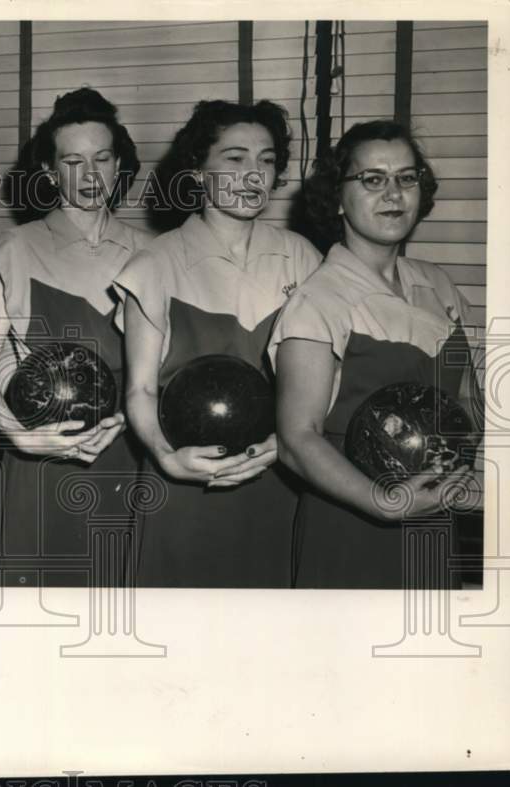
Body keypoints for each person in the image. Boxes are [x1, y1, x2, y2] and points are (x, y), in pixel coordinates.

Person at [114, 100, 322, 588]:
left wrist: (288, 442)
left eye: (267, 160)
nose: (254, 175)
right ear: (197, 170)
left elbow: (327, 379)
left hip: (279, 479)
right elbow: (141, 389)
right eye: (235, 158)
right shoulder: (155, 262)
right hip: (183, 483)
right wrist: (167, 456)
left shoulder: (305, 259)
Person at [269, 120, 480, 589]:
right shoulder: (318, 301)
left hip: (433, 520)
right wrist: (384, 503)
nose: (394, 193)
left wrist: (465, 474)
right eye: (372, 179)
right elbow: (296, 440)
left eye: (407, 178)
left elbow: (466, 403)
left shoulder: (439, 285)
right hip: (350, 527)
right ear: (337, 197)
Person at [0, 88, 153, 589]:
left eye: (103, 158)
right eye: (73, 161)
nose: (90, 176)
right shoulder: (18, 246)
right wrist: (19, 434)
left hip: (131, 458)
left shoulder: (153, 252)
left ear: (119, 165)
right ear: (50, 173)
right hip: (44, 454)